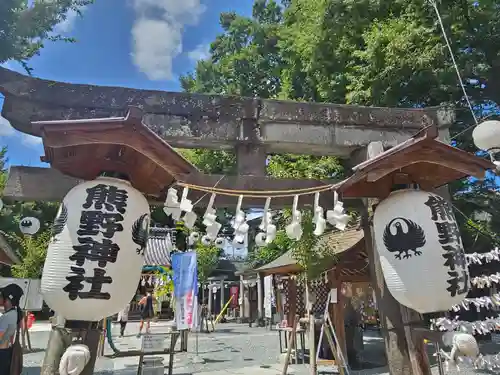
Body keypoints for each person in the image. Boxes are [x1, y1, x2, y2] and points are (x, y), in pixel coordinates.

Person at [0, 283, 24, 375]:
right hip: (7, 351)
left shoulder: (6, 317)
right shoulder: (15, 313)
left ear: (8, 299)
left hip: (2, 353)